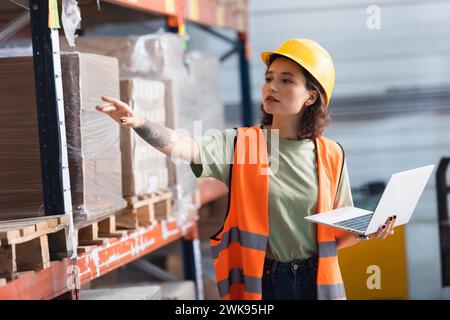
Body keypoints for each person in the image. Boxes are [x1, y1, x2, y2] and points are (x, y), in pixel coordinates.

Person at [96, 39, 396, 300]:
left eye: (287, 80)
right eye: (269, 78)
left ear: (311, 96)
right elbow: (183, 146)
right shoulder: (245, 144)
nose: (272, 87)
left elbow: (337, 234)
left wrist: (368, 230)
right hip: (262, 283)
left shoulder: (331, 153)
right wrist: (139, 123)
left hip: (316, 284)